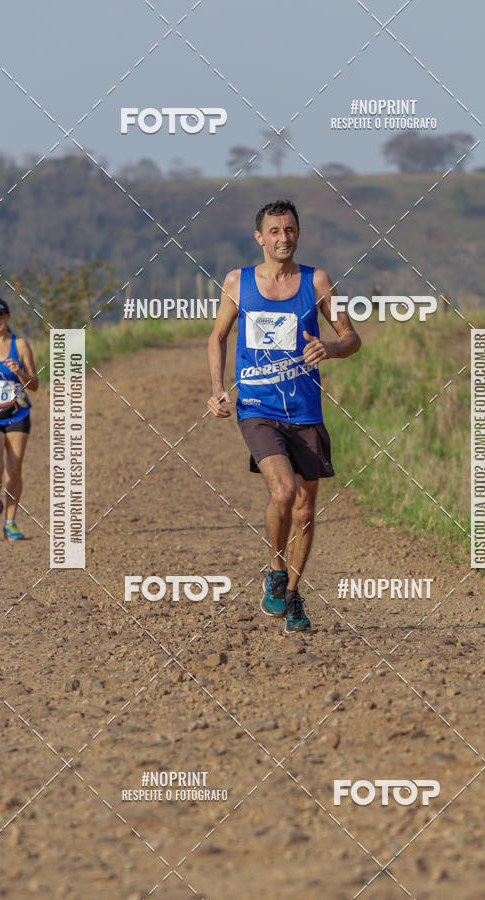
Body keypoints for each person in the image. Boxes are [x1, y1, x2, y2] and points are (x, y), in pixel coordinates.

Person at [207, 199, 361, 632]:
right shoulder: (238, 282)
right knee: (284, 491)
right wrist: (218, 388)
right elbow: (217, 337)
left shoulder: (317, 281)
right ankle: (275, 570)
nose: (282, 238)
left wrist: (330, 347)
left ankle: (292, 593)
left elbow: (352, 338)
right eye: (274, 231)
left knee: (306, 509)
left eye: (289, 230)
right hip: (257, 408)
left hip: (306, 412)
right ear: (259, 237)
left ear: (298, 234)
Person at [0, 297, 39, 540]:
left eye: (1, 315)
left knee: (14, 472)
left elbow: (34, 384)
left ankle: (11, 523)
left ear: (8, 317)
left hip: (18, 414)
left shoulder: (21, 344)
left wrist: (19, 372)